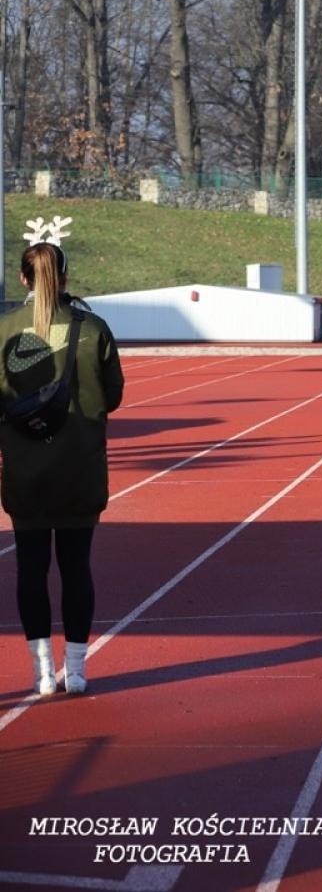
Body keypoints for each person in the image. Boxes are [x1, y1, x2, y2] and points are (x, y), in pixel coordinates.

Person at [3, 222, 124, 695]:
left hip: (25, 469)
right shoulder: (93, 329)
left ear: (23, 278)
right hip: (79, 467)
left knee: (30, 571)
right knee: (77, 569)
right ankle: (75, 669)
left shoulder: (4, 330)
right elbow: (113, 395)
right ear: (66, 276)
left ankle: (41, 673)